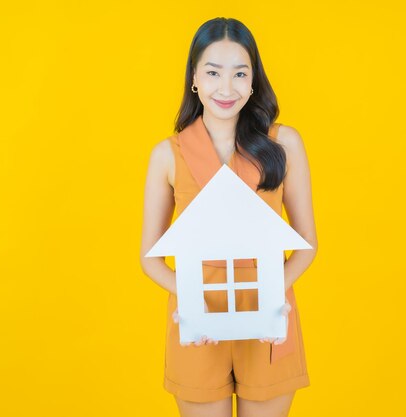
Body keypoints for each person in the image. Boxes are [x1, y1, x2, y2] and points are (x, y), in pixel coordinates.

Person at [140, 17, 318, 417]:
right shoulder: (167, 155)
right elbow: (149, 257)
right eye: (213, 72)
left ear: (254, 81)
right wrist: (193, 300)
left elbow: (307, 245)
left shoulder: (282, 143)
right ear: (194, 79)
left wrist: (270, 298)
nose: (226, 87)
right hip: (198, 328)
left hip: (270, 321)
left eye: (240, 73)